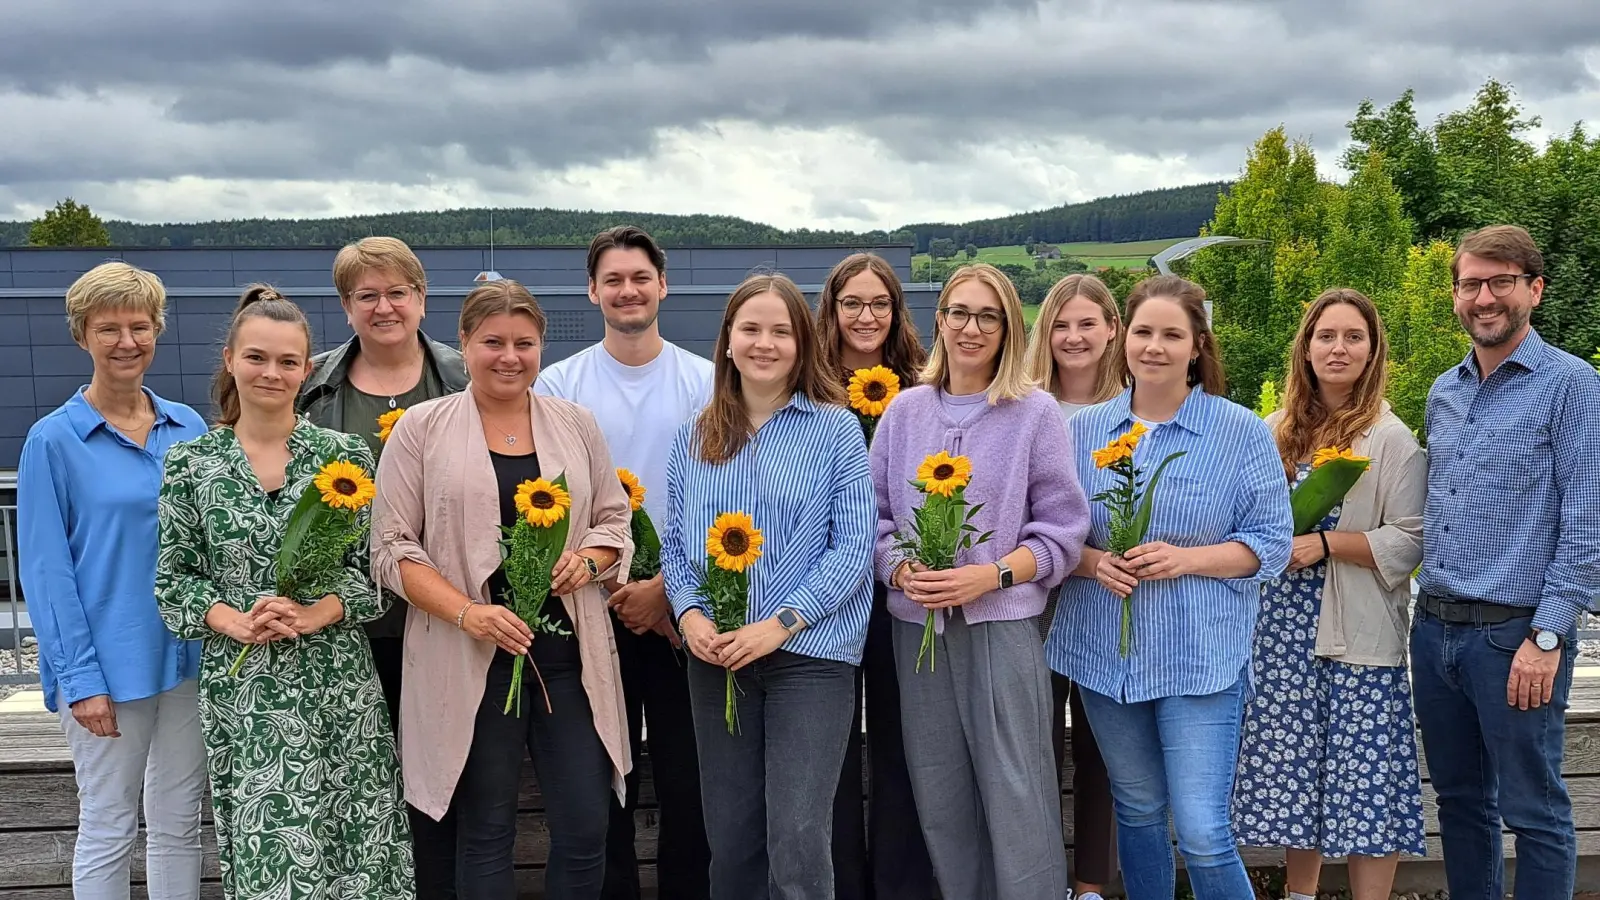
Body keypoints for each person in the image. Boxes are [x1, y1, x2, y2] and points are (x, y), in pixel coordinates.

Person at [370, 279, 634, 900]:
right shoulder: (420, 429)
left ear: (541, 347)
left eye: (524, 342)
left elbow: (612, 519)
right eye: (493, 342)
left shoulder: (576, 424)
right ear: (464, 345)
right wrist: (468, 613)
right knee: (484, 831)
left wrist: (589, 563)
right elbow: (390, 548)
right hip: (468, 656)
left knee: (584, 823)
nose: (509, 356)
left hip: (566, 657)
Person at [155, 285, 414, 900]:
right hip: (248, 695)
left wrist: (313, 613)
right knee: (274, 854)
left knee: (361, 849)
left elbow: (374, 575)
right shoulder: (192, 463)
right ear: (229, 359)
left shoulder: (343, 458)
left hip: (338, 687)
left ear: (307, 368)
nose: (272, 373)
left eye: (288, 361)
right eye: (257, 357)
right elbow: (174, 583)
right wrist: (232, 621)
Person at [1045, 275, 1292, 900]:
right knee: (1138, 810)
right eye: (1144, 332)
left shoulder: (1240, 432)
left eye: (1172, 334)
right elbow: (1049, 535)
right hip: (1106, 654)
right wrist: (1093, 562)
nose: (1155, 347)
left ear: (1197, 344)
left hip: (1199, 658)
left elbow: (1271, 544)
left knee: (1205, 829)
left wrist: (1188, 560)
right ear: (1123, 337)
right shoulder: (1080, 433)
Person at [873, 263, 1089, 900]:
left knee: (1016, 792)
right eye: (959, 313)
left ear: (1008, 330)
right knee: (940, 794)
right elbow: (876, 518)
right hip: (919, 634)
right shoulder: (904, 412)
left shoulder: (1033, 413)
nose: (971, 328)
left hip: (1002, 630)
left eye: (987, 316)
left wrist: (987, 576)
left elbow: (1061, 530)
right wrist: (902, 568)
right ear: (939, 321)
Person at [662, 273, 876, 899]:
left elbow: (853, 547)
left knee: (800, 836)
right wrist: (691, 616)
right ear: (727, 341)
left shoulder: (836, 431)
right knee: (730, 838)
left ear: (802, 344)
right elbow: (676, 546)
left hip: (811, 659)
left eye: (781, 331)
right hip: (719, 659)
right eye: (750, 329)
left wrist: (781, 622)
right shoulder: (693, 436)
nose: (765, 343)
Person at [1411, 224, 1600, 900]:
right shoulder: (1444, 391)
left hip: (1515, 636)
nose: (1484, 297)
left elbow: (1587, 525)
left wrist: (1546, 637)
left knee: (1535, 810)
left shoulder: (1573, 387)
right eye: (1471, 284)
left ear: (1534, 290)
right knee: (1461, 805)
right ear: (1457, 294)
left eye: (1501, 282)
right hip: (1433, 632)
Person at [17, 262, 209, 900]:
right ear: (82, 337)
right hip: (107, 666)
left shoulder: (190, 428)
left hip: (190, 659)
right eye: (109, 328)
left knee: (180, 824)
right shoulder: (53, 440)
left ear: (157, 331)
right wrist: (79, 680)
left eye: (140, 325)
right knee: (108, 824)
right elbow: (46, 572)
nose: (127, 341)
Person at [535, 226, 714, 900]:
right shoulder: (560, 384)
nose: (628, 290)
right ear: (593, 291)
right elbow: (547, 499)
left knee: (686, 782)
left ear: (662, 286)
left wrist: (667, 591)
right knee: (602, 780)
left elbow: (720, 499)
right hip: (589, 609)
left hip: (682, 614)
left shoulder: (704, 382)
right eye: (613, 279)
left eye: (640, 277)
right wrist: (615, 586)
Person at [1233, 288, 1426, 900]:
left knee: (1366, 779)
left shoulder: (1391, 438)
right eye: (1326, 336)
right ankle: (1299, 894)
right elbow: (1242, 522)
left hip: (1357, 633)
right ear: (1306, 348)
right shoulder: (1273, 432)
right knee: (1297, 777)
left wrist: (1326, 544)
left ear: (1372, 352)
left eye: (1353, 338)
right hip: (1281, 631)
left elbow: (1410, 540)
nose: (1338, 348)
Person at [296, 235, 468, 898]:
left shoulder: (461, 377)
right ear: (346, 308)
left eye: (398, 292)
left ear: (422, 299)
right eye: (366, 295)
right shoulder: (313, 387)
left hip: (445, 620)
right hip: (348, 631)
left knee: (443, 785)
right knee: (359, 784)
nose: (384, 306)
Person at [811, 251, 932, 900]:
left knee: (902, 746)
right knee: (824, 750)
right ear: (830, 310)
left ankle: (902, 886)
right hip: (822, 594)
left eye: (878, 303)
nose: (865, 315)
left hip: (898, 592)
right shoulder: (805, 385)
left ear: (896, 311)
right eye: (851, 303)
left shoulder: (921, 387)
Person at [1023, 272, 1122, 900]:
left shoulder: (1139, 407)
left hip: (1113, 599)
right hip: (1035, 595)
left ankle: (1090, 887)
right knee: (1032, 743)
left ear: (1112, 328)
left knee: (1102, 748)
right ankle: (1032, 879)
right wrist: (1078, 558)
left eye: (1087, 323)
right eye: (1061, 324)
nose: (1074, 336)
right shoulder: (1024, 405)